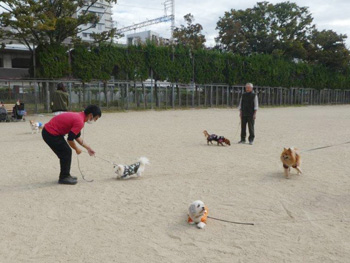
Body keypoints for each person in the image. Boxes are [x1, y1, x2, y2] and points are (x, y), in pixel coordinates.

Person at [42, 105, 101, 185]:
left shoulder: (79, 117)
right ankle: (64, 177)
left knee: (66, 152)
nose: (95, 120)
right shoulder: (79, 121)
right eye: (96, 118)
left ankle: (66, 175)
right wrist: (76, 149)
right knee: (66, 152)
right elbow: (70, 139)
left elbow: (77, 136)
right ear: (91, 115)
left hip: (50, 132)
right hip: (50, 133)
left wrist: (88, 148)